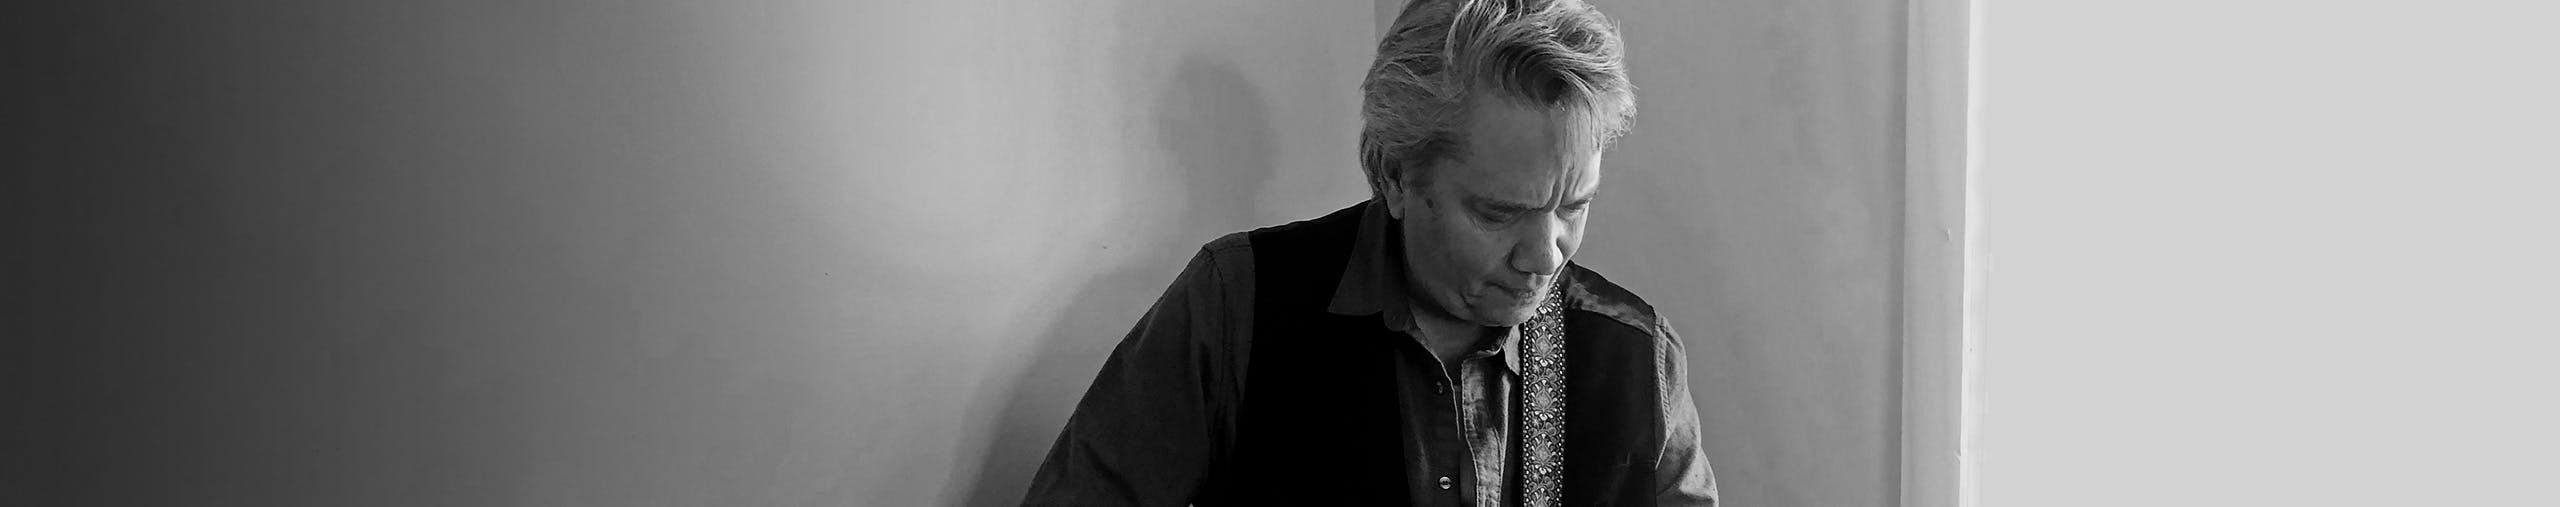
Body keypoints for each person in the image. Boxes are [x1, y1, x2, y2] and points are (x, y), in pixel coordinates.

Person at [1023, 1, 1715, 505]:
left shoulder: (1638, 353)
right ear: (1393, 175)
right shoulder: (1236, 304)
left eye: (1574, 205)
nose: (1546, 256)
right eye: (1498, 212)